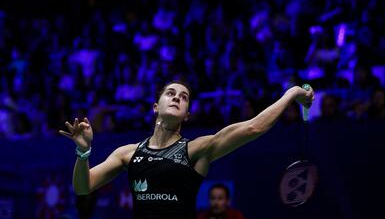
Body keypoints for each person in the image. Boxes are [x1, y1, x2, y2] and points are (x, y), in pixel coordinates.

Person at [59, 80, 314, 219]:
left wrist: (291, 93)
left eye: (183, 97)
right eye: (170, 93)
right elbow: (83, 187)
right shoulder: (127, 153)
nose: (177, 97)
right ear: (155, 107)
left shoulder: (197, 149)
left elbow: (253, 128)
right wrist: (83, 153)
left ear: (187, 115)